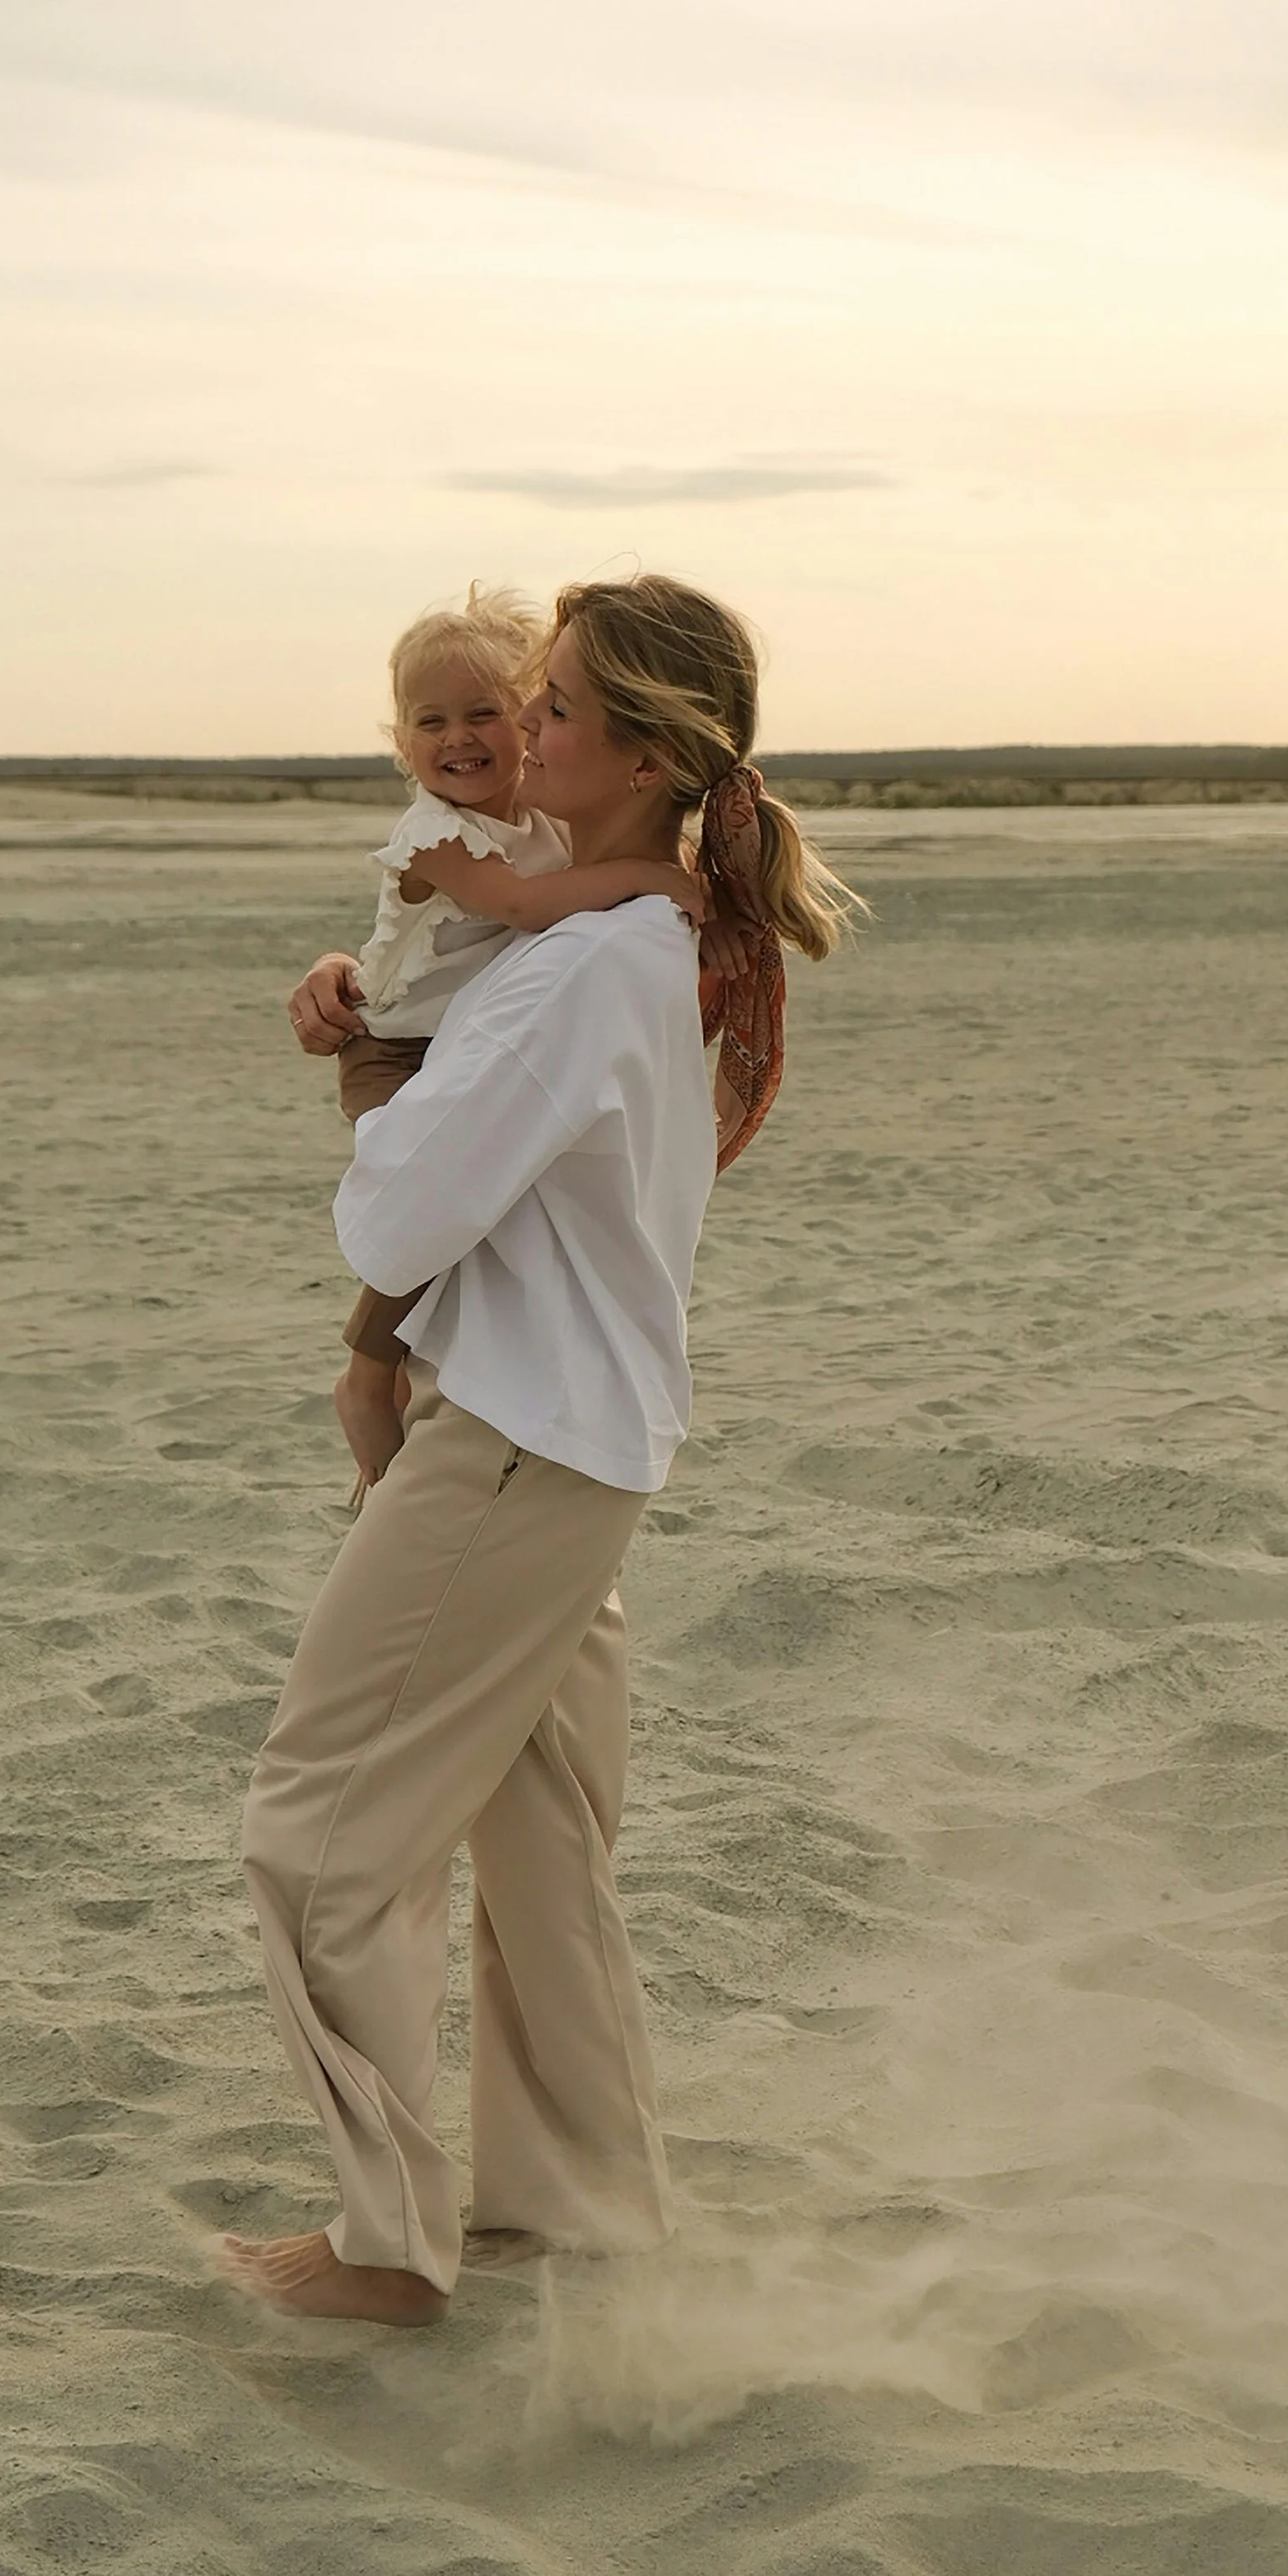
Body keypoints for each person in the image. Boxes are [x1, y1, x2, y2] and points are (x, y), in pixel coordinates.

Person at [222, 573, 857, 2324]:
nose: (518, 723)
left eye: (557, 703)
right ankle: (578, 2216)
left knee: (315, 1829)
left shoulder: (583, 965)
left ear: (645, 754)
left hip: (510, 1439)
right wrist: (368, 1015)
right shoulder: (608, 943)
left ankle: (382, 2249)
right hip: (579, 1435)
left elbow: (397, 1214)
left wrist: (367, 1095)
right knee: (539, 1844)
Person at [316, 584, 705, 1495]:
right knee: (433, 1202)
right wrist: (658, 875)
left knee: (462, 1208)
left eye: (489, 712)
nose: (460, 738)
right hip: (393, 1046)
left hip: (448, 1035)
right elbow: (524, 908)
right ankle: (366, 1374)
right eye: (430, 721)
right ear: (400, 742)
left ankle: (396, 1379)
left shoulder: (532, 818)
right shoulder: (434, 834)